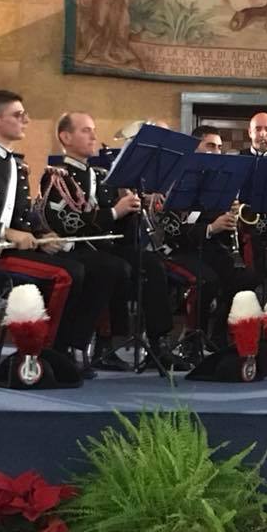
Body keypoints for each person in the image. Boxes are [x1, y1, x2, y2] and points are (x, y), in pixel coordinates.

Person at [0, 91, 98, 376]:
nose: (26, 120)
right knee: (66, 275)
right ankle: (43, 351)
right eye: (17, 115)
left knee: (83, 267)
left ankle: (61, 348)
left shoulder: (16, 164)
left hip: (9, 249)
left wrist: (41, 234)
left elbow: (22, 215)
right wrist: (6, 232)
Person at [39, 112, 183, 372]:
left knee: (151, 263)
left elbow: (115, 227)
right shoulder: (57, 176)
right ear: (66, 137)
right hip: (74, 249)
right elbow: (67, 222)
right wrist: (116, 211)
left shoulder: (102, 177)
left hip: (105, 248)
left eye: (94, 129)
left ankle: (158, 343)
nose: (94, 135)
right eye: (86, 130)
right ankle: (83, 345)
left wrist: (132, 208)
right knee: (112, 267)